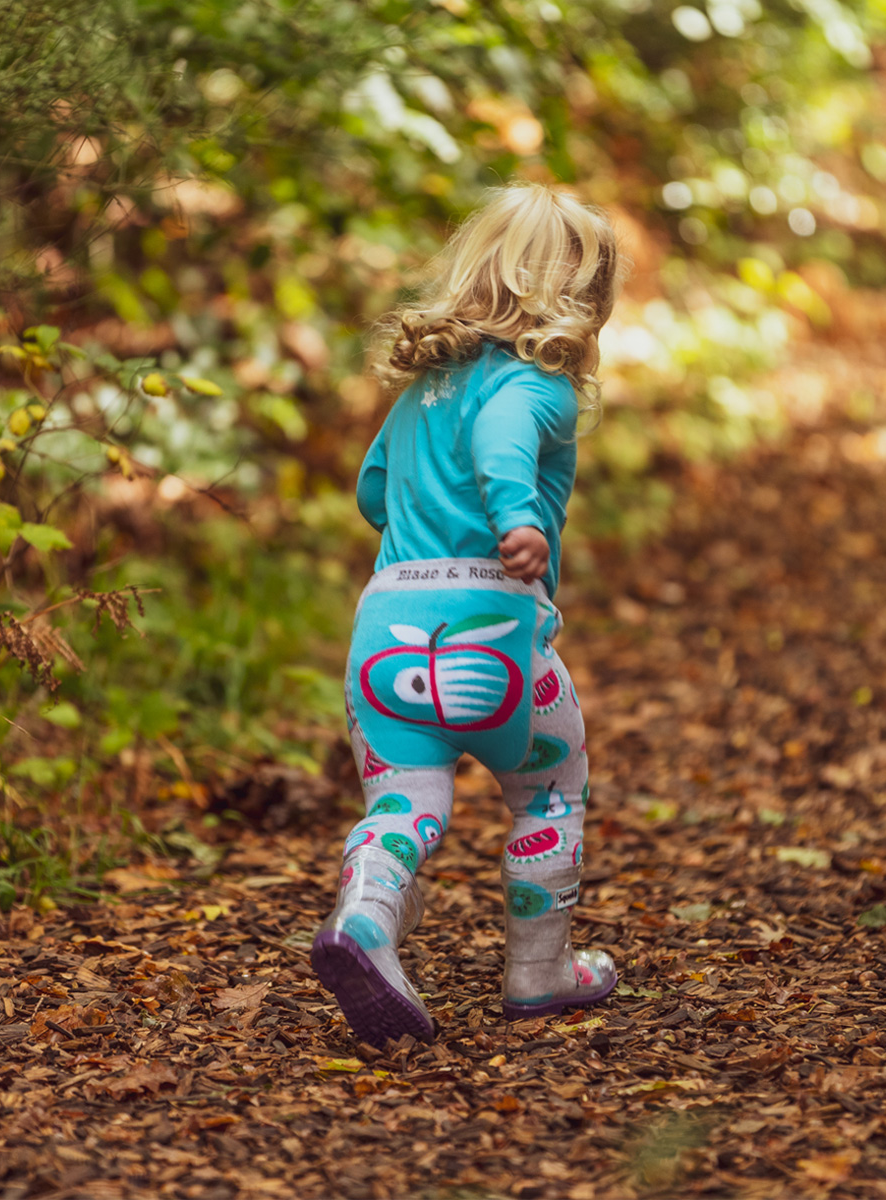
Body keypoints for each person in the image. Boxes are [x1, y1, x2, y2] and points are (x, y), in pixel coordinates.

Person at [311, 182, 622, 1047]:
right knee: (550, 789)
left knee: (404, 800)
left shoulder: (422, 392)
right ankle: (540, 971)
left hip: (386, 637)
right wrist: (517, 517)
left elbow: (375, 491)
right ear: (585, 300)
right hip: (493, 637)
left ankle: (367, 919)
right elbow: (503, 444)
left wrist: (425, 511)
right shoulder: (541, 385)